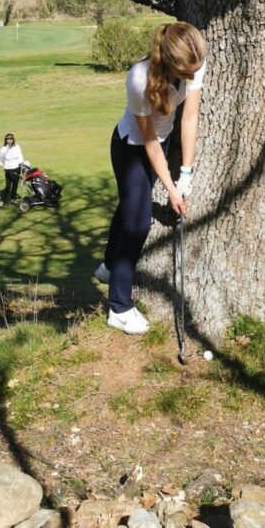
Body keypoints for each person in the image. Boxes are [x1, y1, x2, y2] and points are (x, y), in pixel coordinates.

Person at [95, 21, 206, 335]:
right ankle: (119, 308)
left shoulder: (194, 61)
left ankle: (108, 266)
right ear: (169, 61)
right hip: (131, 147)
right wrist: (171, 188)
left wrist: (186, 174)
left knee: (130, 206)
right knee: (137, 223)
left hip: (163, 141)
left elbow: (189, 118)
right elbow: (148, 141)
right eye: (185, 71)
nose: (192, 75)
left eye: (195, 69)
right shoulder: (139, 78)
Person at [0, 133, 24, 207]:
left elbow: (20, 156)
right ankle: (2, 201)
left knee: (15, 185)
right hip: (8, 169)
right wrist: (2, 166)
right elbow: (0, 159)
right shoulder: (3, 149)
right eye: (8, 139)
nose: (10, 140)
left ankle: (13, 199)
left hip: (17, 168)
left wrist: (21, 164)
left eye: (11, 138)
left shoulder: (17, 147)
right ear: (6, 140)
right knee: (8, 187)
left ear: (13, 139)